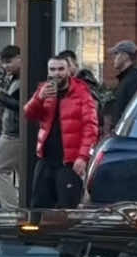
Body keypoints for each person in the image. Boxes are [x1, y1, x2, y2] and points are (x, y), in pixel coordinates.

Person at [24, 55, 99, 209]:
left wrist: (83, 157)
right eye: (52, 69)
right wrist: (39, 98)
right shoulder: (44, 90)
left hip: (69, 162)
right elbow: (29, 114)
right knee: (38, 206)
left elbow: (90, 128)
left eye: (60, 69)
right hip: (46, 159)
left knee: (67, 209)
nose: (56, 73)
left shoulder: (82, 93)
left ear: (69, 71)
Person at [0, 44, 22, 208]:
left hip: (13, 134)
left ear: (20, 58)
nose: (5, 66)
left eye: (9, 62)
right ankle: (24, 205)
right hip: (15, 132)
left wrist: (0, 96)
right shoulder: (14, 78)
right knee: (24, 174)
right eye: (3, 62)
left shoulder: (23, 79)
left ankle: (11, 208)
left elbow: (20, 105)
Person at [105, 40, 137, 132]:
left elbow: (135, 111)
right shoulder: (125, 79)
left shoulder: (135, 79)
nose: (113, 58)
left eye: (116, 54)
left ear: (125, 56)